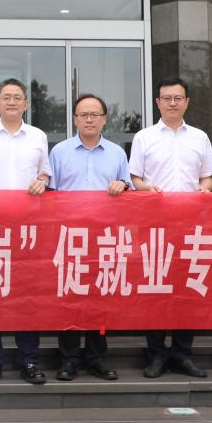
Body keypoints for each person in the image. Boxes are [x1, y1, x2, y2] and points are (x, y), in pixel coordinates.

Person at [128, 75, 212, 379]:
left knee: (188, 288)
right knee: (155, 289)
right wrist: (145, 188)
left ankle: (182, 353)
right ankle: (156, 353)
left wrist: (205, 189)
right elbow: (134, 178)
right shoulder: (144, 137)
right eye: (167, 98)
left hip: (191, 225)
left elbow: (208, 176)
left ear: (187, 102)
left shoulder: (200, 137)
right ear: (158, 102)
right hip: (155, 225)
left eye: (178, 98)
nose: (172, 103)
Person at [0, 78, 51, 385]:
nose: (12, 101)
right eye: (6, 97)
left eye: (17, 97)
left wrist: (42, 183)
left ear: (26, 104)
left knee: (27, 294)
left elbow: (45, 174)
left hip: (28, 228)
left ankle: (29, 360)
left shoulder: (38, 136)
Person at [47, 93, 129, 382]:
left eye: (95, 114)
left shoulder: (117, 153)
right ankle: (68, 359)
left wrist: (122, 186)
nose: (90, 119)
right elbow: (50, 194)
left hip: (104, 236)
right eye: (84, 115)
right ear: (75, 119)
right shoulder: (59, 152)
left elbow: (129, 191)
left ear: (105, 119)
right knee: (69, 297)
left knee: (100, 296)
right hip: (69, 235)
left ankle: (96, 358)